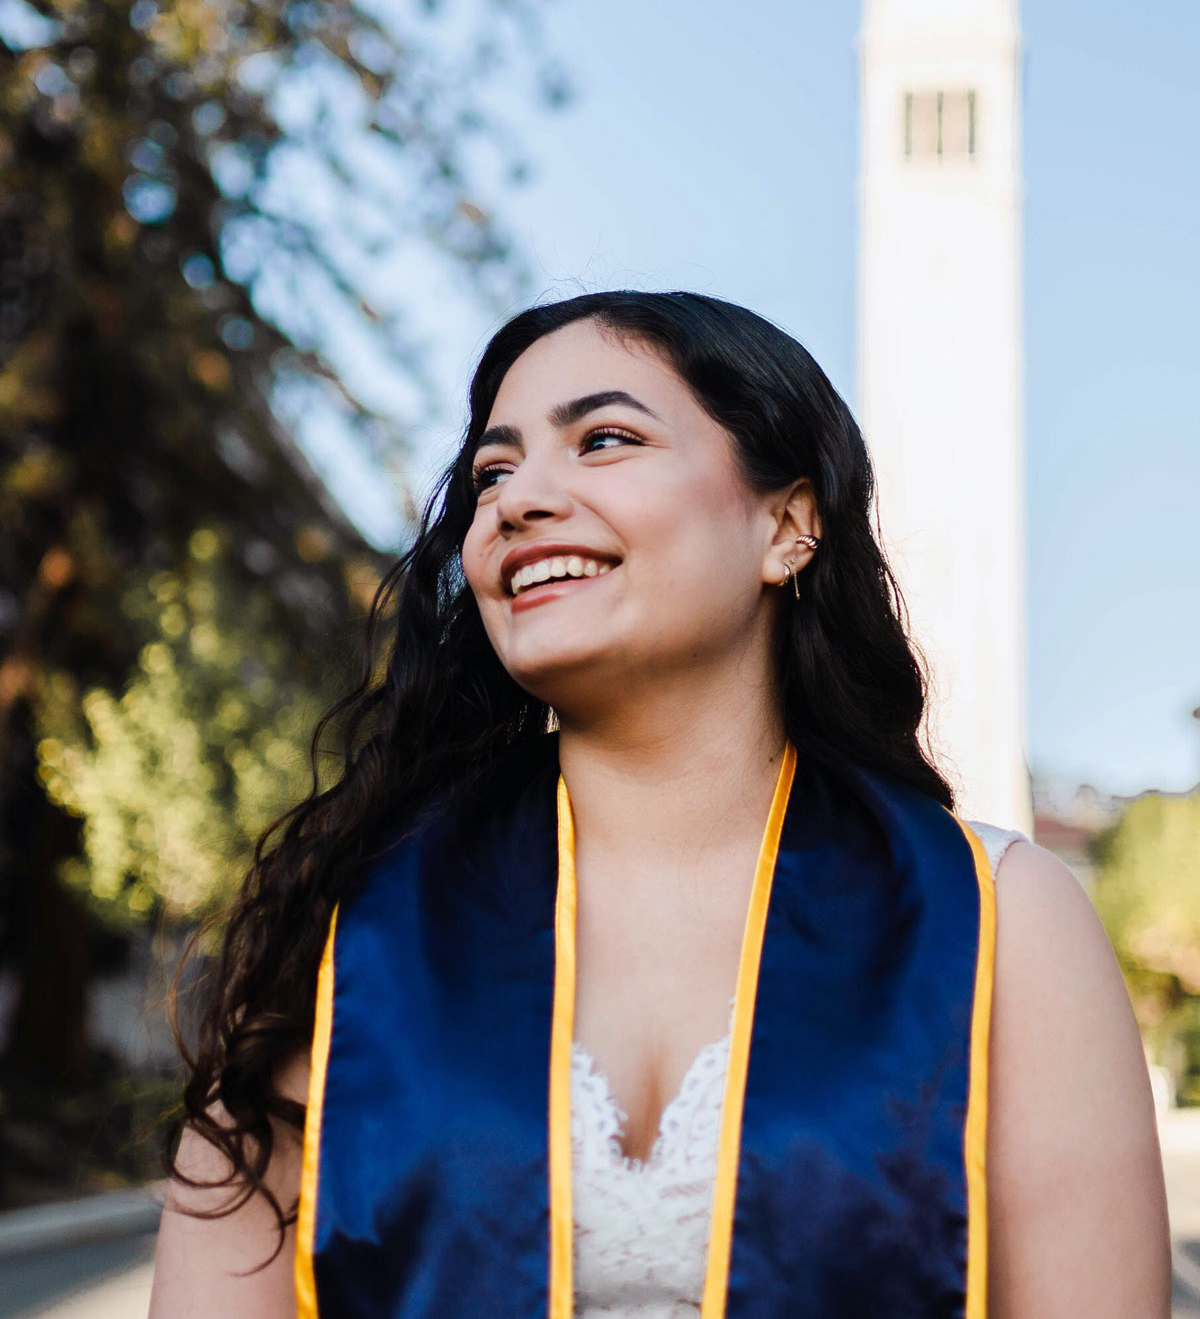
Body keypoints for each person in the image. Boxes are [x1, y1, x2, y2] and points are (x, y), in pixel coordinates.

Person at [150, 291, 1170, 1319]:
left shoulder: (997, 919)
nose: (516, 499)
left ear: (787, 524)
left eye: (604, 439)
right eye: (492, 472)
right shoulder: (345, 927)